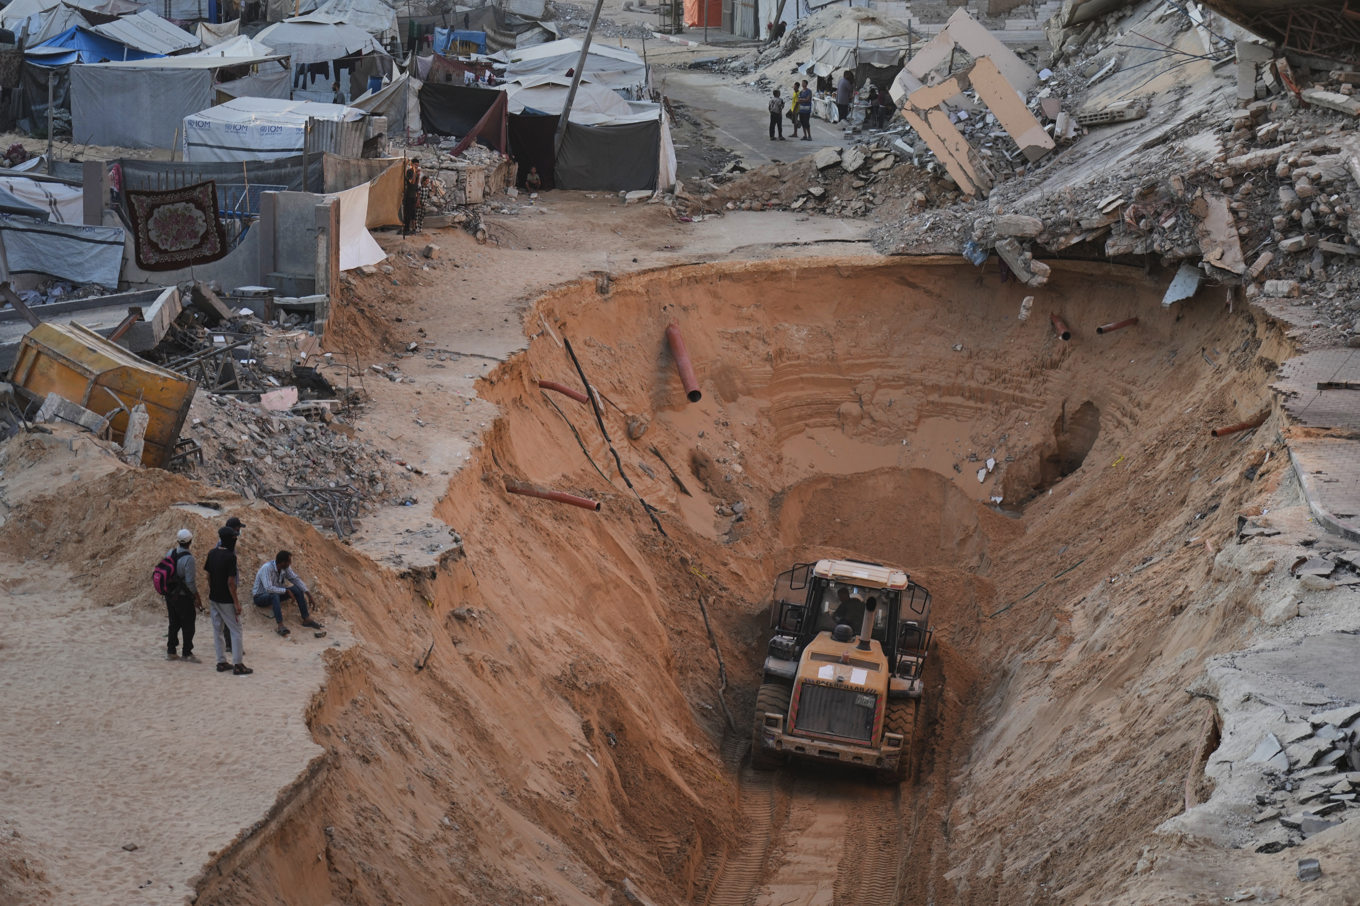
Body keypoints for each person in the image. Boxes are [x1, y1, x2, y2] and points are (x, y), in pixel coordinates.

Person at [206, 527, 252, 676]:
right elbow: (231, 582)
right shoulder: (230, 557)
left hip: (213, 598)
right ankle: (238, 664)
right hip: (226, 600)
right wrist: (236, 603)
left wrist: (213, 590)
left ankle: (221, 662)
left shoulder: (212, 553)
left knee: (217, 630)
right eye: (234, 538)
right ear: (230, 540)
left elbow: (208, 576)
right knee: (236, 630)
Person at [253, 551, 324, 636]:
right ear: (283, 562)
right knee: (274, 595)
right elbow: (268, 588)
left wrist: (308, 594)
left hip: (276, 593)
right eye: (289, 561)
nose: (290, 563)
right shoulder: (267, 568)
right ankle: (280, 625)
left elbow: (295, 579)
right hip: (260, 597)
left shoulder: (285, 568)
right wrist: (286, 591)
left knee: (296, 589)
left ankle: (306, 618)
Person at [163, 529, 202, 662]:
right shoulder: (189, 559)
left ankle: (171, 651)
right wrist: (196, 597)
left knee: (173, 623)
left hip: (169, 594)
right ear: (190, 541)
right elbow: (190, 582)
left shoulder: (170, 552)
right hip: (183, 596)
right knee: (188, 623)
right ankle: (187, 652)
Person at [402, 162, 420, 236]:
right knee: (408, 214)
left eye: (417, 165)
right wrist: (415, 173)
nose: (417, 166)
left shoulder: (415, 172)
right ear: (412, 164)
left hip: (413, 196)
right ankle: (406, 229)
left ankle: (413, 229)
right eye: (415, 165)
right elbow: (411, 183)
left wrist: (418, 176)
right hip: (409, 196)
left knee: (413, 214)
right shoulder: (409, 172)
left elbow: (416, 184)